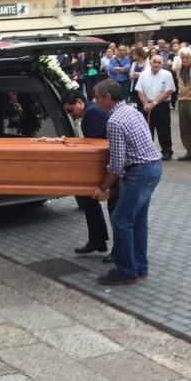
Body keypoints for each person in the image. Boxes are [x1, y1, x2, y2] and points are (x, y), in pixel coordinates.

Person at [92, 80, 162, 286]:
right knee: (137, 220)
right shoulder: (133, 111)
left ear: (107, 98)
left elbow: (116, 163)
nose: (95, 101)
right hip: (154, 167)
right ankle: (140, 267)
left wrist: (104, 187)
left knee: (121, 220)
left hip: (139, 172)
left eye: (97, 97)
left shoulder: (114, 121)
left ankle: (126, 271)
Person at [62, 89, 114, 258]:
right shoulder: (91, 111)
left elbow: (97, 144)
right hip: (104, 166)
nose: (71, 115)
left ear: (79, 102)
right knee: (89, 201)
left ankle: (117, 249)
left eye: (70, 110)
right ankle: (97, 240)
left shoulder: (92, 113)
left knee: (114, 208)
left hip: (110, 168)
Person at [135, 54, 176, 161]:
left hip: (161, 105)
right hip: (146, 105)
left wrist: (154, 103)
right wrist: (145, 104)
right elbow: (139, 90)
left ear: (162, 64)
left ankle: (167, 151)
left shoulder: (167, 74)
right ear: (150, 62)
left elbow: (168, 91)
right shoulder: (143, 74)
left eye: (159, 62)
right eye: (154, 62)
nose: (156, 64)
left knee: (164, 129)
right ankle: (148, 151)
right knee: (147, 130)